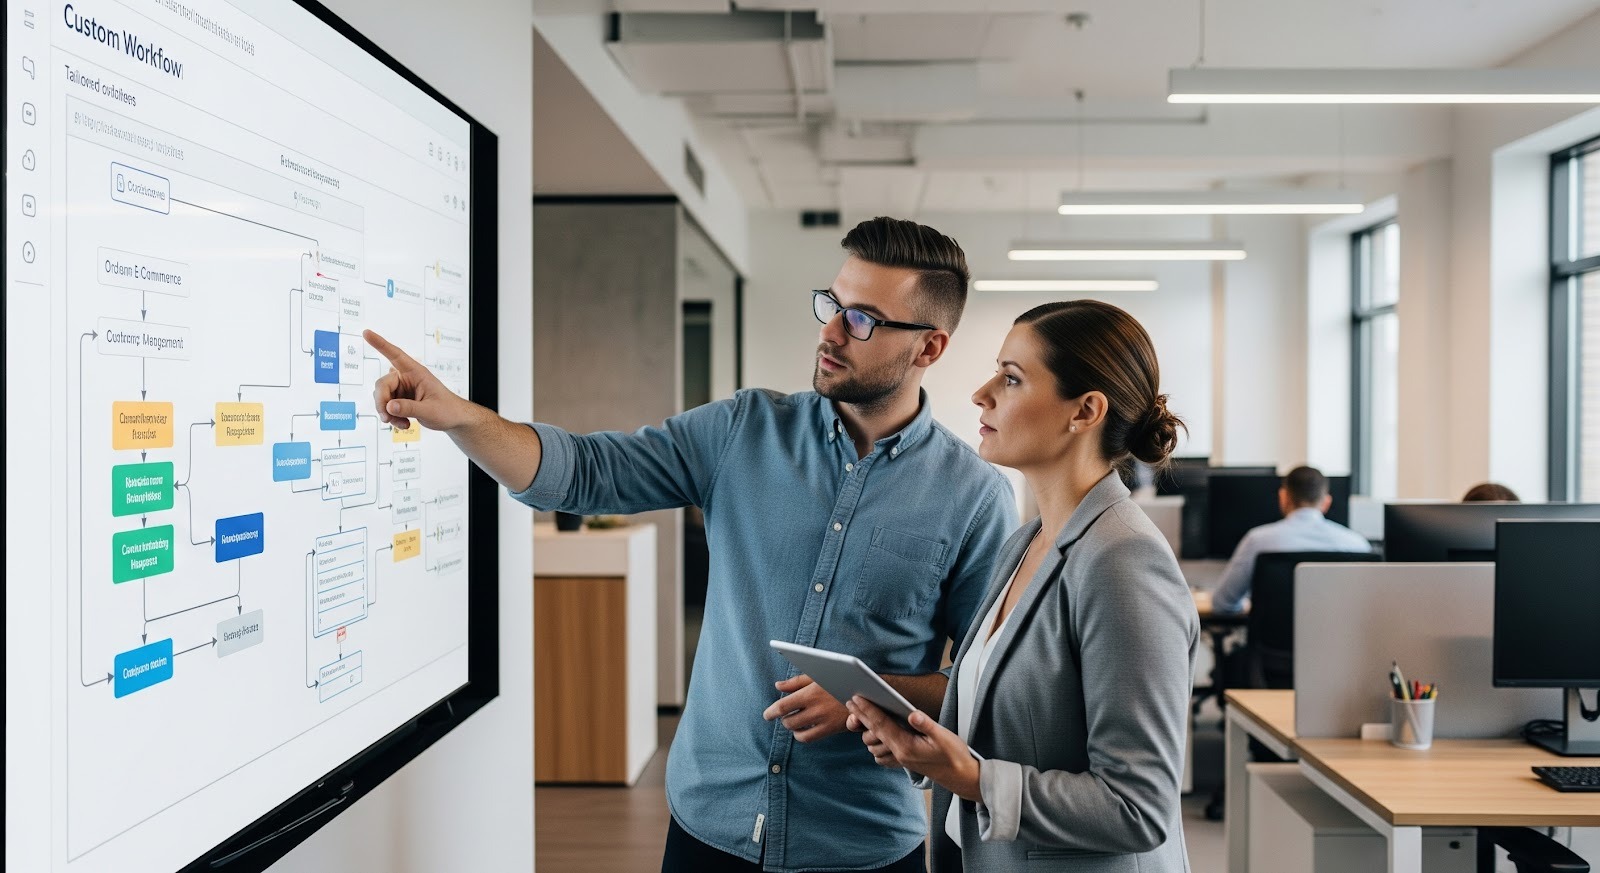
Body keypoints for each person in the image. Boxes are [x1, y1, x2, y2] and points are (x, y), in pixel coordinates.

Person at [363, 216, 1017, 873]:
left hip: (862, 843)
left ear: (929, 347)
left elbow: (986, 683)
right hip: (710, 828)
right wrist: (461, 416)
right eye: (832, 305)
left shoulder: (974, 497)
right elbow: (586, 470)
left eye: (863, 320)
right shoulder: (742, 428)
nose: (830, 331)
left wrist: (869, 692)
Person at [846, 300, 1198, 872]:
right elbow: (1002, 719)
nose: (981, 394)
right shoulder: (1027, 541)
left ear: (1084, 411)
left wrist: (972, 777)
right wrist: (922, 744)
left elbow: (1138, 806)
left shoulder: (1124, 561)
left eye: (1011, 378)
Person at [1208, 465, 1370, 615]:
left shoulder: (1258, 541)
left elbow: (1222, 603)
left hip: (1270, 644)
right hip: (1336, 645)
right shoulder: (1358, 545)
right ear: (1326, 502)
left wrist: (1250, 606)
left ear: (1284, 497)